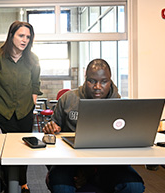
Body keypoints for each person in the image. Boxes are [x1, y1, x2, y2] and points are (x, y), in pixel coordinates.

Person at [43, 59, 145, 193]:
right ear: (85, 79)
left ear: (110, 81)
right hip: (71, 161)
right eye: (92, 81)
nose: (97, 86)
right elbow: (51, 133)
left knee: (134, 186)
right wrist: (51, 128)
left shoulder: (118, 103)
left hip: (107, 163)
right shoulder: (68, 99)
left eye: (104, 81)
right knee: (61, 186)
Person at [0, 21, 42, 193]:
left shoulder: (33, 59)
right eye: (21, 35)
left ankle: (22, 182)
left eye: (28, 37)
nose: (25, 40)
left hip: (25, 111)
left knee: (24, 148)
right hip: (3, 111)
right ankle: (6, 183)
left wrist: (33, 101)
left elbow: (35, 84)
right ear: (11, 36)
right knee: (5, 150)